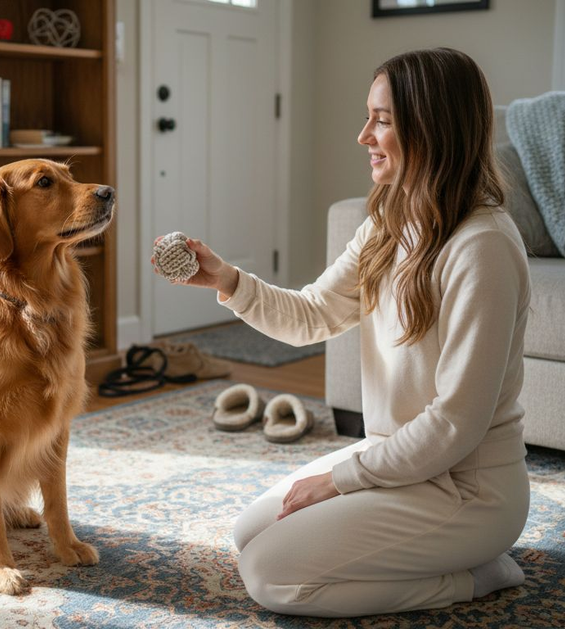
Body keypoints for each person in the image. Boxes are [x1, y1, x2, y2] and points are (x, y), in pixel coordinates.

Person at [155, 48, 531, 617]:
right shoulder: (389, 222)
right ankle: (435, 555)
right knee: (247, 535)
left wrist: (340, 480)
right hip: (397, 459)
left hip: (468, 490)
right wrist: (227, 280)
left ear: (432, 128)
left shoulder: (483, 247)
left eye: (381, 120)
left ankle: (476, 574)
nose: (364, 136)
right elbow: (312, 313)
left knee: (271, 577)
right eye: (368, 116)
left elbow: (455, 423)